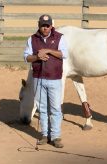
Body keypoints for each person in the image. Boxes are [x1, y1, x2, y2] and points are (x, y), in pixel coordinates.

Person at [23, 14, 67, 148]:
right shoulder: (32, 39)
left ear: (51, 26)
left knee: (55, 108)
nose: (45, 28)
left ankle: (56, 137)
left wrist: (48, 50)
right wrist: (37, 57)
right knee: (42, 108)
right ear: (39, 25)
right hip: (38, 78)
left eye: (47, 25)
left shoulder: (60, 37)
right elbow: (26, 57)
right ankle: (44, 135)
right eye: (43, 25)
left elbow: (64, 54)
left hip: (54, 78)